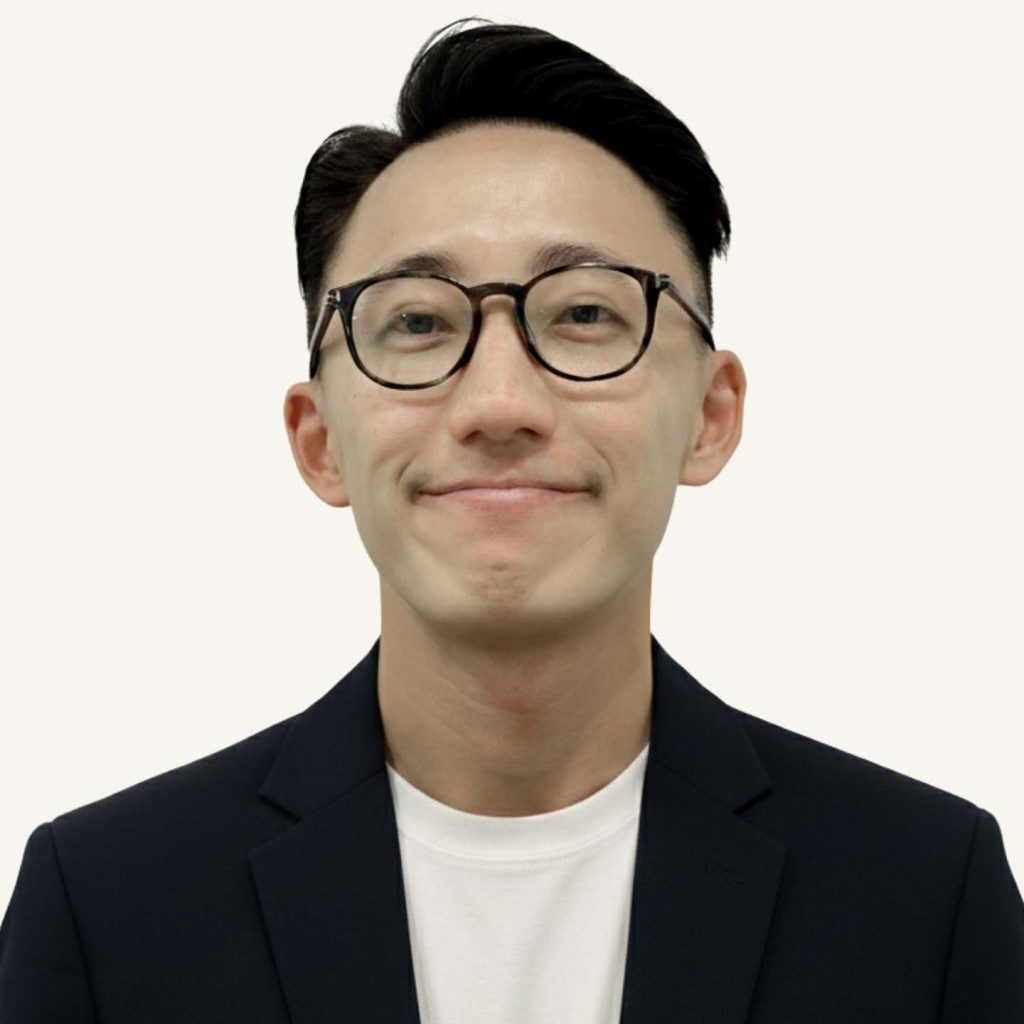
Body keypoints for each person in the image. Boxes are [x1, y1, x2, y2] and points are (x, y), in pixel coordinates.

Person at [1, 16, 1021, 1022]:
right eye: (417, 320)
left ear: (711, 416)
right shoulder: (107, 907)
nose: (498, 404)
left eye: (584, 313)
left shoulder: (924, 894)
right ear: (319, 440)